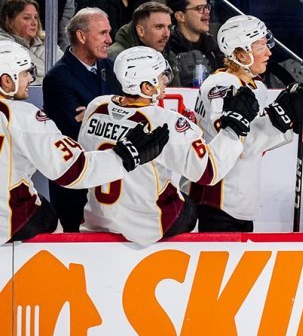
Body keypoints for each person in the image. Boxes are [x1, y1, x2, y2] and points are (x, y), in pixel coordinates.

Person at [79, 47, 256, 245]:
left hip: (97, 219)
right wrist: (233, 129)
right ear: (146, 87)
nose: (165, 80)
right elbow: (208, 172)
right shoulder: (165, 122)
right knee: (187, 206)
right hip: (146, 229)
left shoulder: (96, 107)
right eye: (161, 75)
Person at [0, 41, 167, 242]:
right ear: (6, 81)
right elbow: (71, 170)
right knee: (48, 220)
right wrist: (123, 157)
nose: (30, 78)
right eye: (25, 73)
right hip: (7, 224)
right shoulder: (21, 116)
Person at [192, 15, 303, 232]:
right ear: (240, 53)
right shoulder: (221, 87)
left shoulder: (253, 85)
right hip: (217, 198)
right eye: (260, 46)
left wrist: (287, 121)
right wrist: (280, 119)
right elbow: (236, 143)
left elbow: (257, 141)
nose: (268, 52)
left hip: (239, 197)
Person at [43, 8, 121, 233]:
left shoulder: (112, 68)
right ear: (81, 36)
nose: (109, 39)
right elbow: (76, 133)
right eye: (103, 33)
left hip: (108, 182)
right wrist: (112, 115)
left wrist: (93, 115)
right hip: (75, 182)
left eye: (109, 32)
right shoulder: (57, 77)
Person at [107, 2, 182, 85]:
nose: (166, 34)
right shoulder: (114, 57)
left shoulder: (169, 56)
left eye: (168, 27)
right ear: (140, 31)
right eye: (159, 27)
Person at [165, 0, 223, 88]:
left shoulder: (214, 46)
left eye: (206, 7)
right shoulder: (165, 46)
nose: (207, 12)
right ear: (180, 16)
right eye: (199, 8)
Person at [0, 0, 60, 84]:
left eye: (35, 17)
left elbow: (68, 70)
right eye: (27, 18)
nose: (34, 22)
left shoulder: (46, 41)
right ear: (10, 22)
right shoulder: (4, 45)